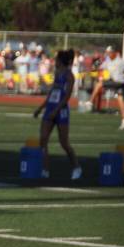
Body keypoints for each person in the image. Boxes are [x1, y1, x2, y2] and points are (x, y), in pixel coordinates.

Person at [32, 49, 80, 180]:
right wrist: (41, 108)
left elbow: (67, 97)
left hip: (61, 110)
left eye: (56, 60)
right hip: (50, 108)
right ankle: (45, 170)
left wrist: (56, 110)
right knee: (43, 139)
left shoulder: (70, 76)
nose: (55, 62)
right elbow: (52, 93)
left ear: (61, 61)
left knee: (64, 143)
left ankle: (76, 167)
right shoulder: (57, 73)